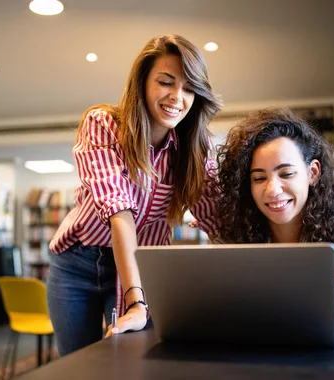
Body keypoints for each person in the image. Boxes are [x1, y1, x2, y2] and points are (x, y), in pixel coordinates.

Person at [46, 34, 222, 356]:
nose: (177, 97)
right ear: (142, 82)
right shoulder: (103, 125)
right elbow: (120, 213)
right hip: (78, 264)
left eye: (188, 88)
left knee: (135, 362)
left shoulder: (196, 149)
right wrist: (136, 302)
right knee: (77, 365)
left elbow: (217, 219)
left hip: (140, 264)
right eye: (166, 82)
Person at [214, 108, 334, 330]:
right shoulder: (237, 226)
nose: (272, 190)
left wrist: (268, 305)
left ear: (313, 173)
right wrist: (309, 289)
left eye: (286, 174)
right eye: (259, 178)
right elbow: (221, 306)